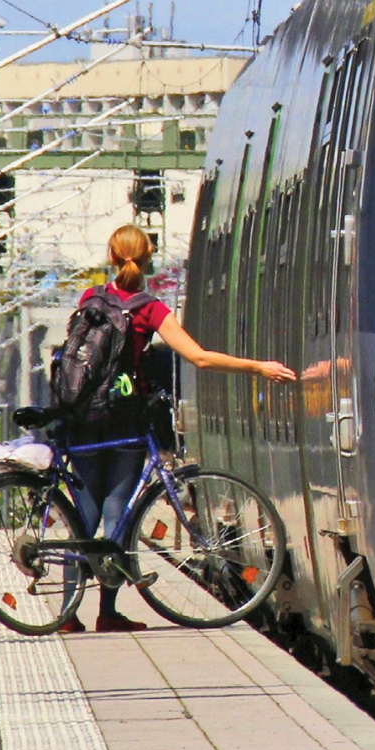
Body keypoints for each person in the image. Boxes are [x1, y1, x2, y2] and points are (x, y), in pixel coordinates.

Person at [62, 223, 295, 633]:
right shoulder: (149, 308)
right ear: (147, 259)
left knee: (84, 514)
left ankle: (66, 614)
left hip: (82, 420)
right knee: (116, 513)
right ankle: (107, 612)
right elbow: (199, 358)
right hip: (124, 418)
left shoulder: (89, 298)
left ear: (112, 257)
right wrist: (257, 367)